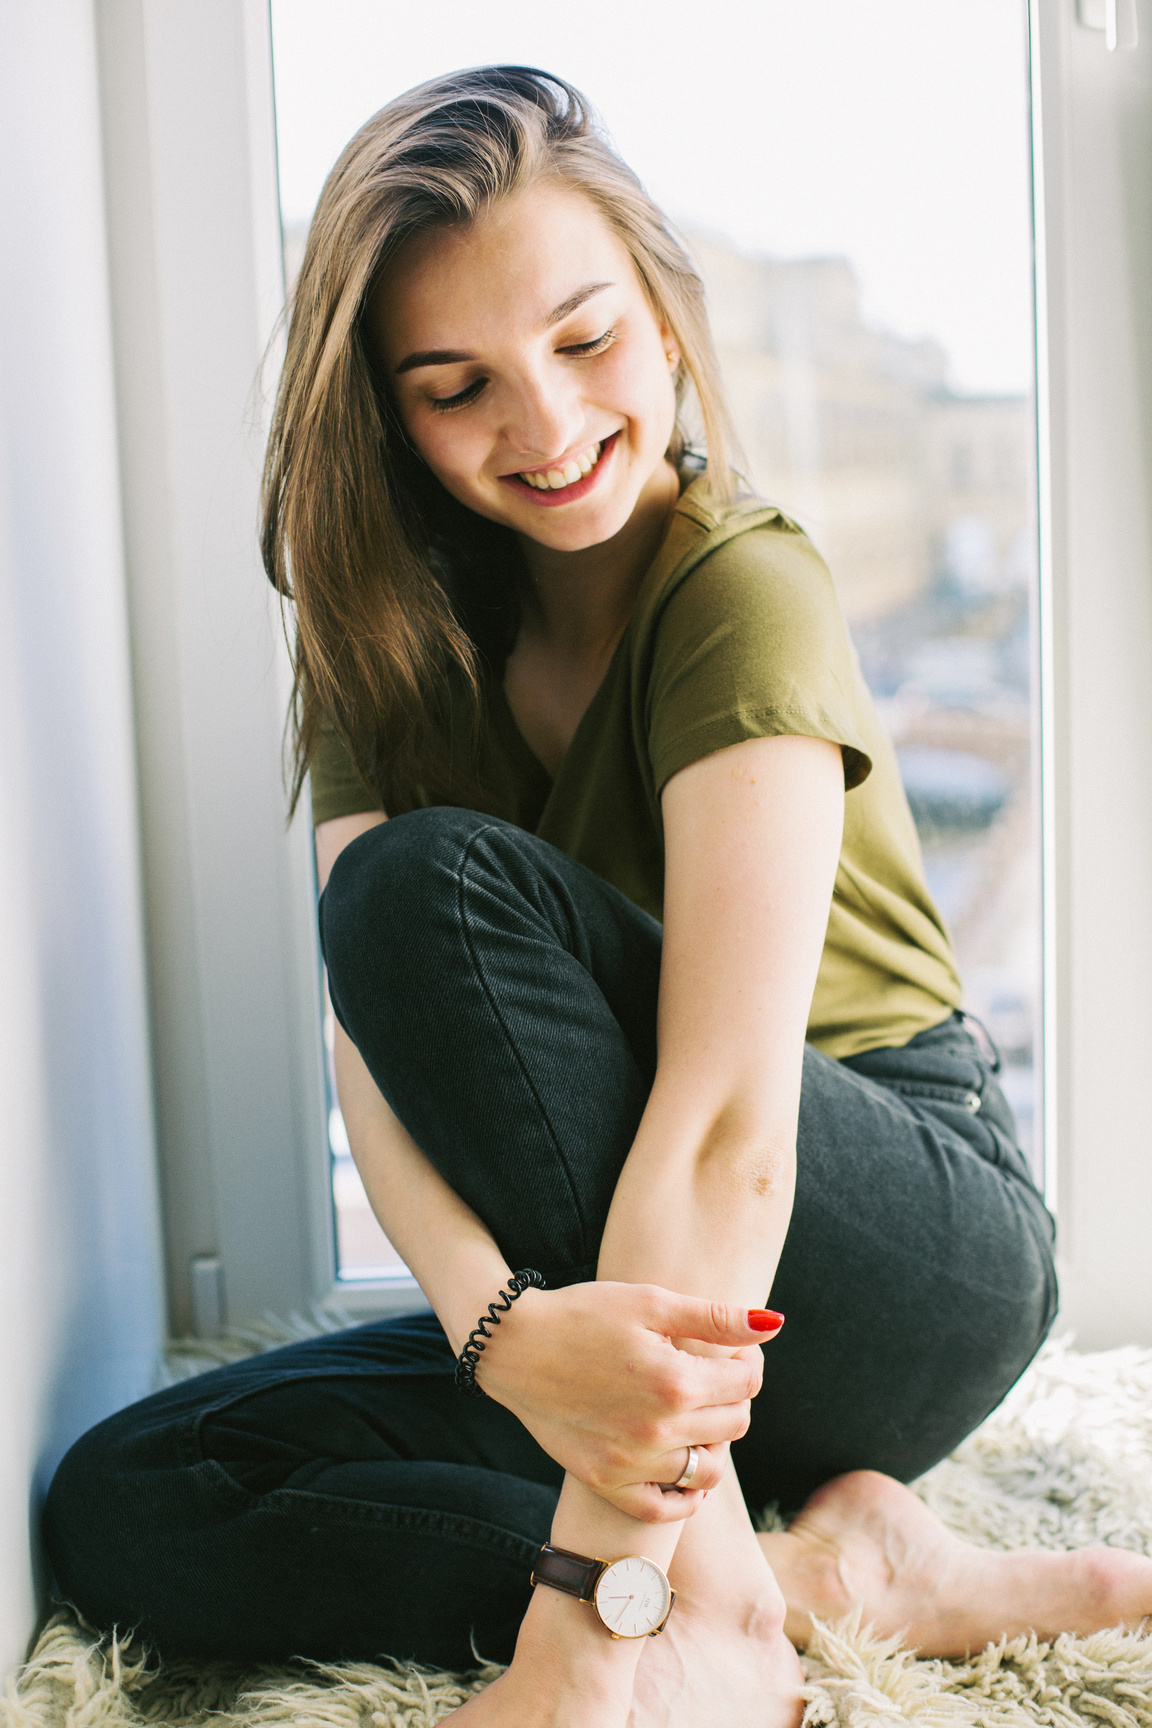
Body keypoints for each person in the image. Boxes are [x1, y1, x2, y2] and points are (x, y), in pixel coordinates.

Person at [44, 64, 1152, 1728]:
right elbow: (378, 1033)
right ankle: (801, 1572)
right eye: (456, 385)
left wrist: (584, 1611)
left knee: (430, 892)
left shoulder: (742, 584)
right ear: (384, 414)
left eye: (585, 340)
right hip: (614, 1278)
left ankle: (663, 1618)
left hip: (879, 1244)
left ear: (667, 312)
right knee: (142, 1496)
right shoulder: (389, 627)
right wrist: (499, 1334)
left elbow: (728, 1129)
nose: (548, 428)